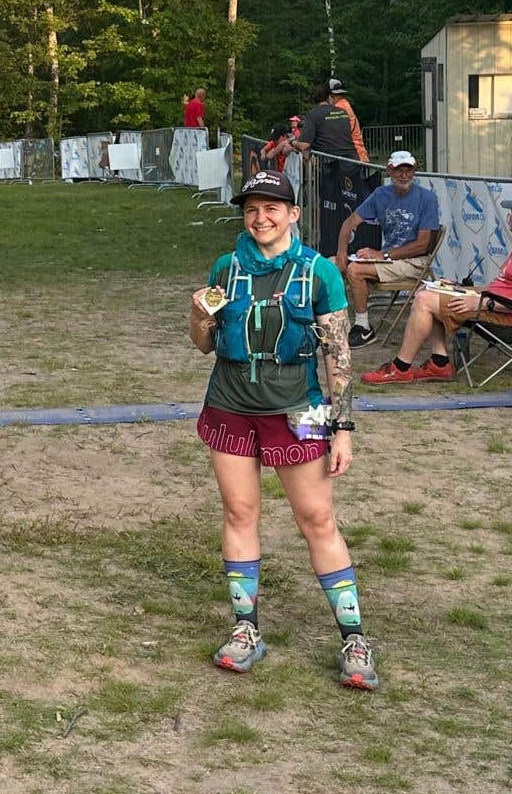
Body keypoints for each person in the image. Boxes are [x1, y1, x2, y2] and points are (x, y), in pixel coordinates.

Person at [188, 169, 379, 690]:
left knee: (317, 517)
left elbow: (338, 357)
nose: (261, 217)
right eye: (252, 209)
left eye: (273, 208)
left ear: (293, 214)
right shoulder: (226, 268)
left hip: (301, 408)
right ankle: (246, 630)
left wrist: (344, 428)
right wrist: (198, 315)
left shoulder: (320, 274)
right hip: (229, 403)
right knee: (239, 512)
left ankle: (354, 638)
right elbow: (204, 344)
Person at [360, 193, 512, 384]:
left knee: (424, 300)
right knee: (429, 291)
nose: (508, 216)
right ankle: (439, 363)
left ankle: (401, 368)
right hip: (492, 306)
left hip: (511, 319)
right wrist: (459, 288)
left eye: (511, 212)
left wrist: (482, 303)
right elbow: (500, 288)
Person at [333, 150, 439, 348]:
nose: (404, 175)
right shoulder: (381, 194)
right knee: (329, 264)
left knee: (355, 270)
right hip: (388, 259)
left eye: (409, 170)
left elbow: (422, 245)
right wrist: (341, 253)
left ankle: (363, 327)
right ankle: (332, 322)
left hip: (415, 262)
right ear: (390, 170)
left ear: (415, 171)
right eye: (399, 170)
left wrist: (382, 254)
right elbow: (348, 224)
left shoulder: (427, 198)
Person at [291, 83, 359, 160]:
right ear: (329, 96)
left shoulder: (313, 114)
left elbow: (303, 145)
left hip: (332, 163)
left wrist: (293, 143)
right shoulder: (343, 111)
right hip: (352, 160)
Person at [326, 78, 369, 162]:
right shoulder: (345, 105)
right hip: (358, 154)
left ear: (331, 96)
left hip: (351, 156)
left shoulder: (338, 108)